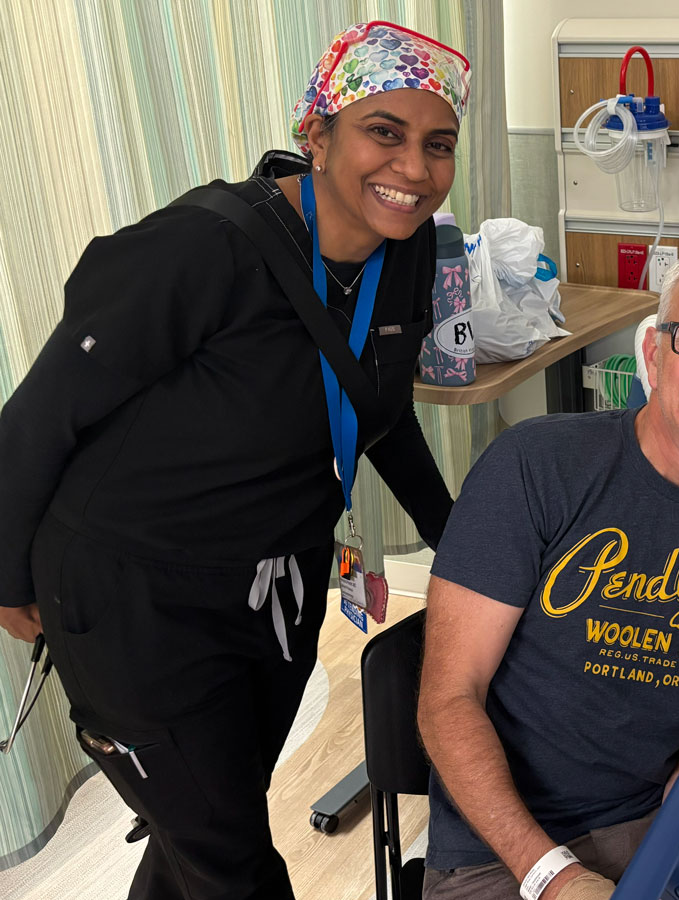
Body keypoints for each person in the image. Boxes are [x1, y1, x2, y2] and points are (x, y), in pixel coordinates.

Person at [0, 21, 470, 900]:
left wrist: (466, 544)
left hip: (271, 589)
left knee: (209, 822)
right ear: (318, 135)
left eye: (437, 144)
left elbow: (380, 410)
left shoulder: (407, 253)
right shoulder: (202, 246)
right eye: (384, 132)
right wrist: (6, 575)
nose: (413, 168)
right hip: (134, 596)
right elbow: (44, 410)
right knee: (233, 865)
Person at [418, 238, 679, 900]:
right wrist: (555, 878)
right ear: (654, 352)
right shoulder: (535, 467)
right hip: (502, 846)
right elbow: (445, 700)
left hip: (652, 826)